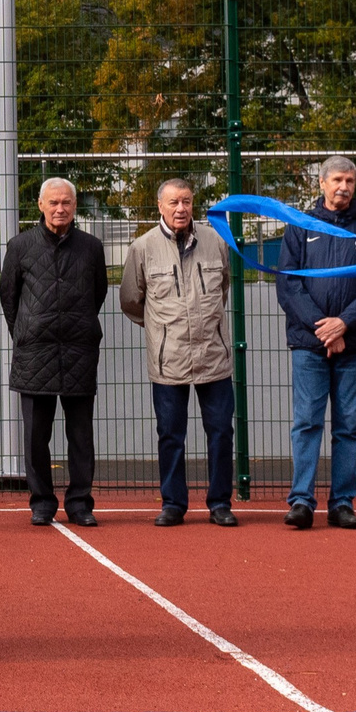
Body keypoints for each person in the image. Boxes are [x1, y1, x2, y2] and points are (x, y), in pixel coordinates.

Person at [119, 177, 238, 528]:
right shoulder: (142, 247)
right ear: (160, 206)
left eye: (186, 201)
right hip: (167, 360)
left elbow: (224, 288)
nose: (181, 209)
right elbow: (130, 299)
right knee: (171, 434)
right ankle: (173, 503)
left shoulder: (216, 241)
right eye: (173, 202)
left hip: (213, 358)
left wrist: (208, 325)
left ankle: (220, 503)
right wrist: (161, 328)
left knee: (221, 432)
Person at [276, 156, 356, 529]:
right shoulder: (298, 228)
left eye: (350, 181)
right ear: (321, 183)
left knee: (349, 426)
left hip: (354, 346)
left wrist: (344, 325)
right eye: (337, 179)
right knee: (307, 422)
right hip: (309, 344)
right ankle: (302, 501)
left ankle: (342, 502)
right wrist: (323, 328)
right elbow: (288, 284)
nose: (344, 187)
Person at [0, 176, 108, 528]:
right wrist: (26, 330)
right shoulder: (20, 246)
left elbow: (99, 293)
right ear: (41, 206)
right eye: (53, 203)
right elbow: (9, 295)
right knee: (35, 436)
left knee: (80, 436)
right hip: (35, 353)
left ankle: (80, 503)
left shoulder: (91, 247)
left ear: (74, 207)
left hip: (79, 351)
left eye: (66, 203)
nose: (60, 208)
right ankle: (42, 502)